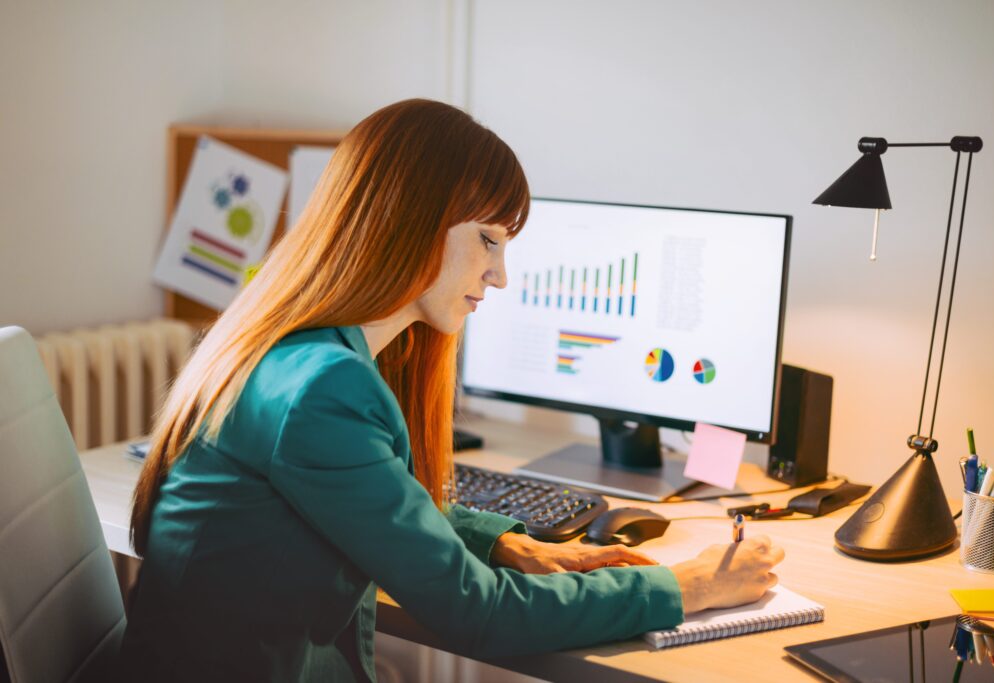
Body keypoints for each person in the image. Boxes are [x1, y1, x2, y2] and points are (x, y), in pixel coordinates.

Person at [121, 99, 784, 682]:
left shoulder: (288, 347)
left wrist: (498, 539)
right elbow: (481, 612)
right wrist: (684, 584)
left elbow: (370, 505)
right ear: (408, 221)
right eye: (488, 240)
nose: (499, 275)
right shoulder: (325, 388)